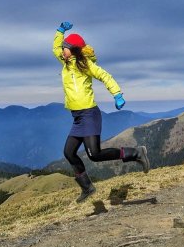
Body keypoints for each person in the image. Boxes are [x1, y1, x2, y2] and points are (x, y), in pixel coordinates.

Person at [53, 21, 150, 202]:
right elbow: (54, 48)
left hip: (89, 114)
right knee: (69, 152)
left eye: (65, 47)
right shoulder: (65, 62)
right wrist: (60, 31)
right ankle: (87, 188)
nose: (62, 50)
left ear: (73, 50)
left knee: (95, 154)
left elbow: (105, 76)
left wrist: (117, 94)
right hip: (77, 117)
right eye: (63, 47)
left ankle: (136, 153)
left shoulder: (86, 64)